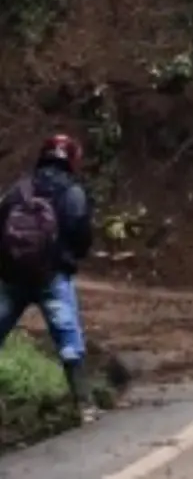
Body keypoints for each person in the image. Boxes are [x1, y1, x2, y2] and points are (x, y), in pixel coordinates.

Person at [0, 133, 95, 421]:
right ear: (73, 160)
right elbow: (81, 237)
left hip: (12, 276)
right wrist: (68, 257)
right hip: (51, 277)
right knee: (68, 337)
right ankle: (85, 405)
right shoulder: (73, 193)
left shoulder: (18, 189)